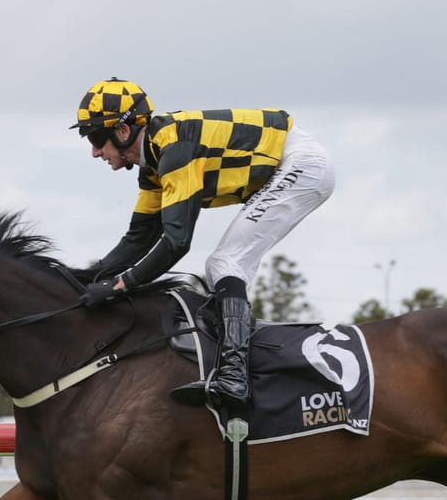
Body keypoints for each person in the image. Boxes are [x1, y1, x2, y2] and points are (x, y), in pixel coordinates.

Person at [71, 77, 335, 409]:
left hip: (301, 165)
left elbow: (177, 242)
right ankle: (234, 365)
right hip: (290, 162)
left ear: (123, 132)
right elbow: (138, 239)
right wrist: (87, 278)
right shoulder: (153, 163)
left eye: (96, 138)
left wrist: (121, 286)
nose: (94, 151)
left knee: (225, 263)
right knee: (225, 265)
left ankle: (235, 375)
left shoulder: (174, 149)